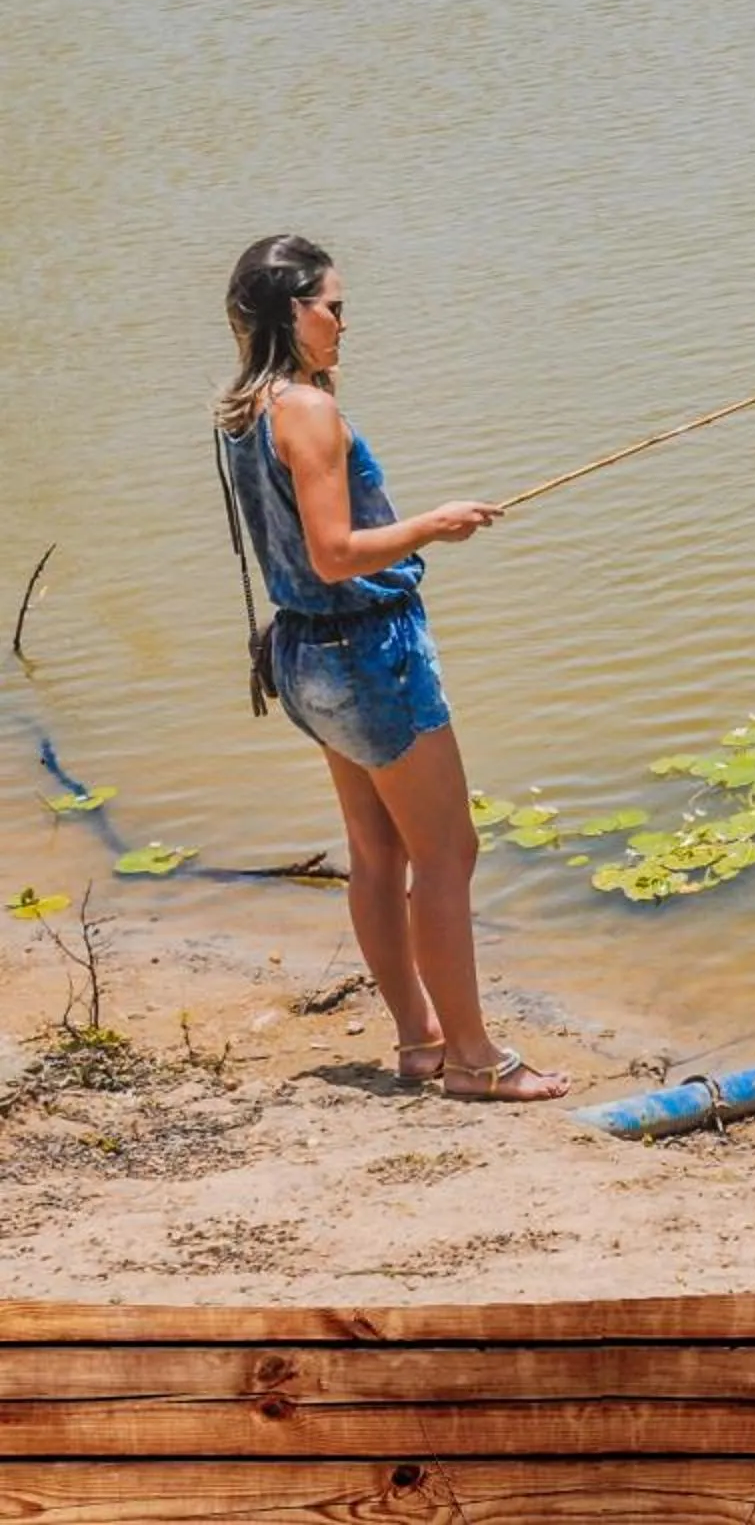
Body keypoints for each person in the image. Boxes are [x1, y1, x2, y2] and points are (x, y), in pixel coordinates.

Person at [213, 235, 568, 1102]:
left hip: (304, 655)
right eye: (332, 307)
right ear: (291, 311)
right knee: (447, 851)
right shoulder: (308, 411)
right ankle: (476, 1060)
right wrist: (433, 524)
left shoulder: (243, 409)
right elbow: (335, 553)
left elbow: (304, 553)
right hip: (367, 653)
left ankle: (419, 1041)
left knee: (377, 854)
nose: (342, 323)